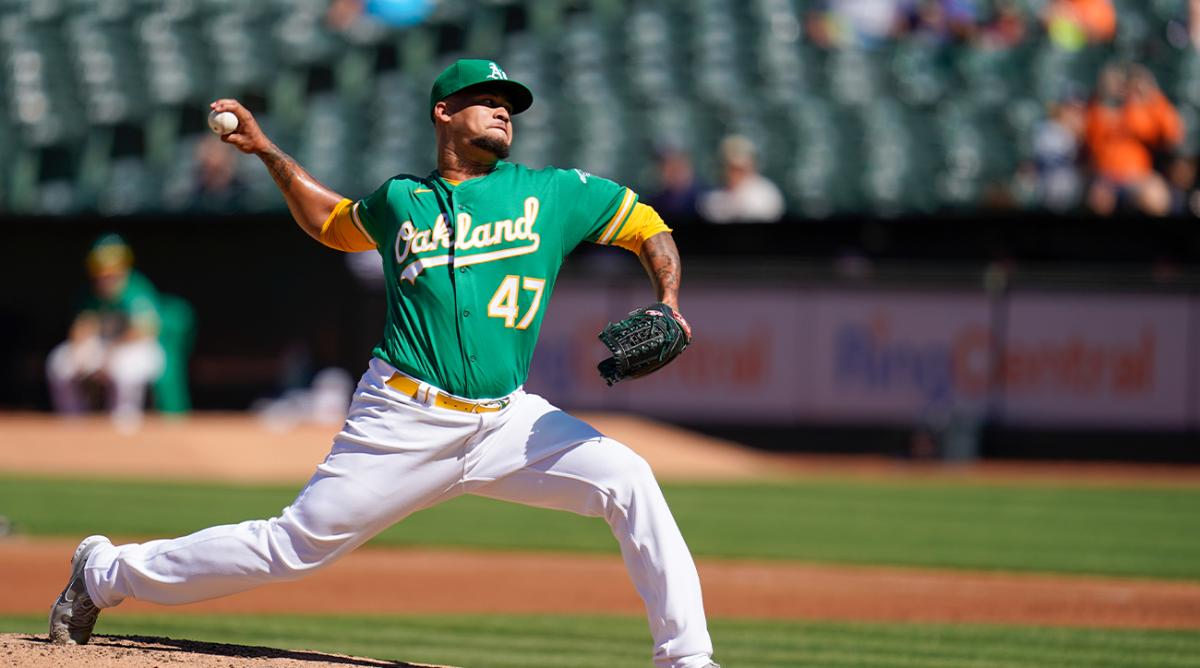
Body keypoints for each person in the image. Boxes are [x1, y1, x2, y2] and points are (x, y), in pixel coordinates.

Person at [49, 59, 719, 668]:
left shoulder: (554, 193)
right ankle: (106, 571)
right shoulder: (401, 199)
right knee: (292, 548)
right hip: (403, 416)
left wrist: (670, 299)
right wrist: (266, 152)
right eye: (483, 99)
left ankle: (687, 659)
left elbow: (646, 223)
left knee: (629, 478)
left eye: (508, 102)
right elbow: (330, 221)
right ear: (443, 113)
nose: (501, 110)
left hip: (508, 422)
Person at [45, 234, 166, 431]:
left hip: (139, 350)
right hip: (104, 349)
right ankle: (73, 422)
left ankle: (124, 424)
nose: (106, 275)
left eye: (112, 269)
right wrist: (81, 353)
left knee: (124, 367)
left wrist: (110, 353)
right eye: (102, 269)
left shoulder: (136, 289)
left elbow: (144, 331)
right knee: (60, 361)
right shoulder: (89, 294)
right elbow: (82, 329)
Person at [1084, 64, 1184, 216]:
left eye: (1122, 83)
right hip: (1106, 177)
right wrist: (1104, 107)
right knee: (1099, 200)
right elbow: (1092, 144)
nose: (1118, 87)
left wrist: (1151, 96)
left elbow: (1171, 134)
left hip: (1138, 176)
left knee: (1154, 197)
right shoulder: (1095, 109)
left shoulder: (1139, 110)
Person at [698, 135, 785, 223]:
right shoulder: (712, 199)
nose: (732, 174)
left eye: (738, 169)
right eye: (729, 168)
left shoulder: (766, 194)